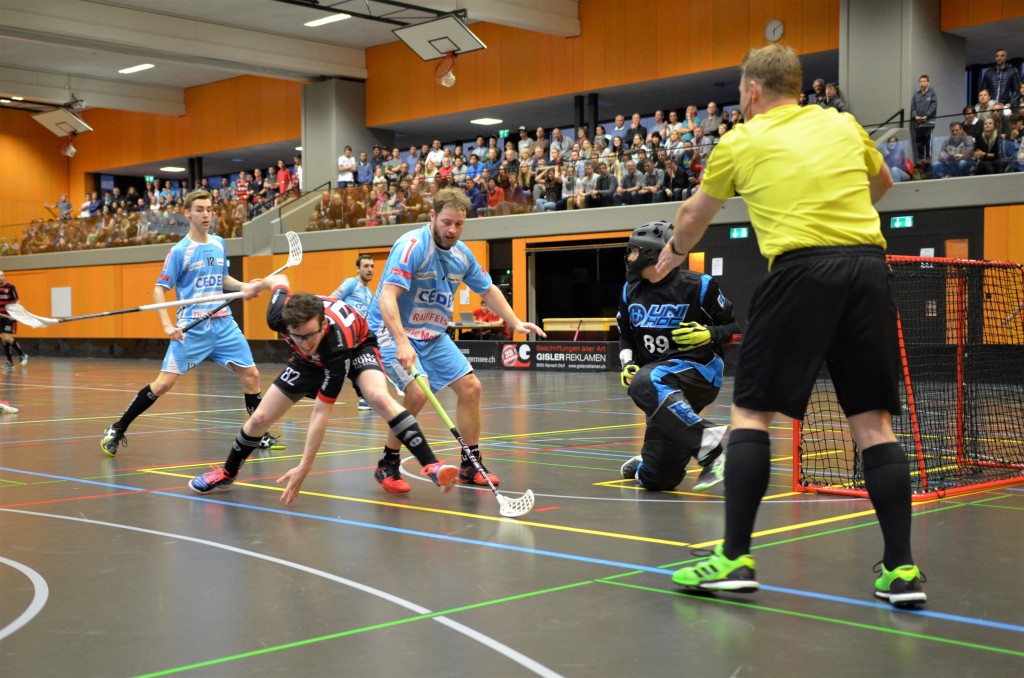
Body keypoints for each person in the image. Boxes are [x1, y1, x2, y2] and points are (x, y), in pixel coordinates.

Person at [657, 44, 926, 608]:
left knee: (753, 412)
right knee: (872, 423)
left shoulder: (741, 139)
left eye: (739, 92)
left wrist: (672, 256)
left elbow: (691, 216)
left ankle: (732, 559)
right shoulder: (843, 124)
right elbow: (884, 187)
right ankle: (901, 571)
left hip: (801, 269)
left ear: (752, 91)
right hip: (868, 270)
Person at [188, 276, 459, 500]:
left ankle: (431, 465)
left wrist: (304, 466)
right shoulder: (279, 316)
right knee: (259, 417)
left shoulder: (334, 344)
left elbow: (320, 412)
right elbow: (281, 279)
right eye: (297, 336)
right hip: (308, 364)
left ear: (323, 324)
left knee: (378, 397)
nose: (305, 342)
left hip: (357, 347)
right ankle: (227, 471)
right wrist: (258, 285)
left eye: (310, 335)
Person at [365, 188, 546, 490]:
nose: (452, 230)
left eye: (459, 224)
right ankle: (388, 462)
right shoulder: (411, 247)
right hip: (390, 329)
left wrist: (514, 321)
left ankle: (470, 464)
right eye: (447, 222)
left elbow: (487, 290)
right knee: (418, 394)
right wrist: (401, 341)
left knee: (471, 388)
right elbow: (387, 297)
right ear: (433, 216)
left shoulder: (462, 254)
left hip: (432, 334)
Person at [100, 190, 283, 456]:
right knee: (163, 384)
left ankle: (257, 434)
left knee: (252, 376)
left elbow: (223, 280)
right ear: (188, 213)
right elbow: (159, 291)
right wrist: (166, 326)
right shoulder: (180, 251)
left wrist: (245, 287)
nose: (206, 214)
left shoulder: (219, 243)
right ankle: (117, 428)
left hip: (223, 324)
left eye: (209, 209)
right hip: (192, 327)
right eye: (199, 209)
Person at [617, 221, 740, 493]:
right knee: (658, 479)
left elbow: (735, 331)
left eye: (633, 251)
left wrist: (708, 334)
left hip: (699, 373)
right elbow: (625, 334)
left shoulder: (699, 286)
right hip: (658, 382)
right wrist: (628, 364)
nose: (628, 257)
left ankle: (711, 450)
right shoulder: (630, 291)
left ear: (652, 254)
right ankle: (645, 463)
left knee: (644, 381)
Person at [332, 253, 376, 411]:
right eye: (366, 266)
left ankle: (364, 399)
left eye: (372, 266)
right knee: (337, 369)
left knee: (361, 365)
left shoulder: (369, 293)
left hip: (359, 337)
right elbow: (333, 299)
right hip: (344, 333)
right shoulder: (351, 283)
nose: (369, 269)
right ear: (357, 269)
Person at [0, 270, 28, 370]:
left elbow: (17, 300)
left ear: (5, 277)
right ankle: (10, 362)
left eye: (2, 276)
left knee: (7, 338)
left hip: (9, 316)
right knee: (4, 339)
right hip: (0, 317)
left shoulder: (11, 287)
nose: (0, 277)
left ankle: (22, 355)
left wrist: (15, 312)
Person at [910, 75, 937, 162]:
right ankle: (921, 161)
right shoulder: (916, 95)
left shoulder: (932, 93)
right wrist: (915, 116)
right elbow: (913, 107)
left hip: (928, 123)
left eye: (924, 81)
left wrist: (927, 116)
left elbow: (933, 105)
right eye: (921, 81)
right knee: (919, 143)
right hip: (918, 123)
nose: (922, 83)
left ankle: (929, 161)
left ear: (928, 83)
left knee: (928, 143)